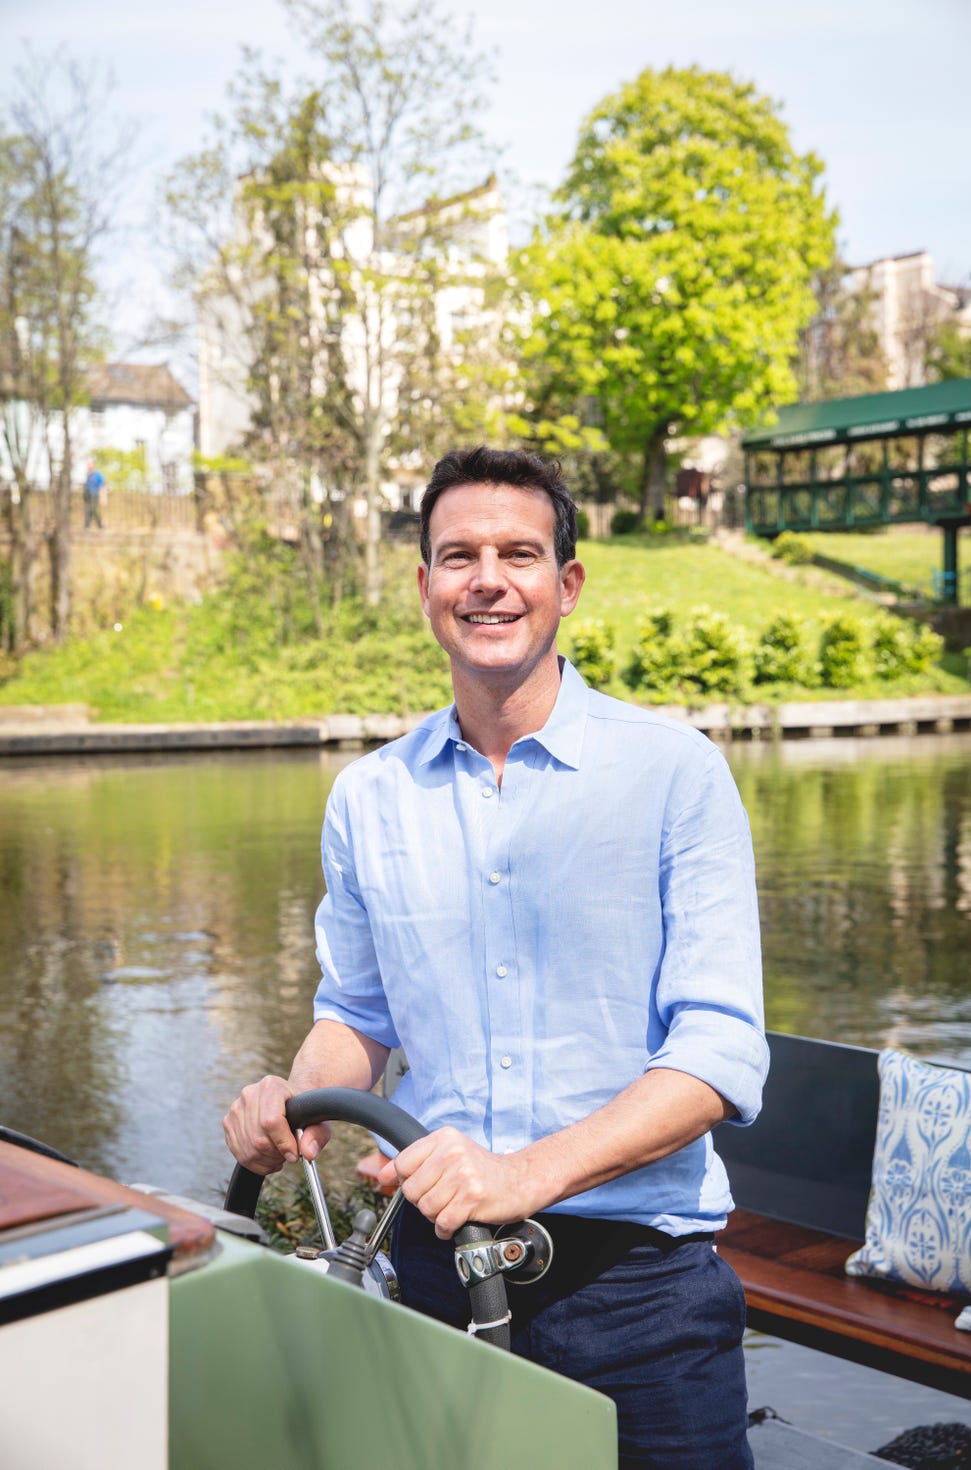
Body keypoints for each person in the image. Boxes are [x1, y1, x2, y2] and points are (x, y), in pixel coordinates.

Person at [224, 445, 768, 1468]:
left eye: (517, 553)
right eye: (457, 554)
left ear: (563, 585)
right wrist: (291, 1106)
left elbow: (718, 1057)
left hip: (639, 1300)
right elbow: (356, 1017)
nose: (486, 579)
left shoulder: (674, 775)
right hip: (433, 1279)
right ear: (424, 585)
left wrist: (522, 1174)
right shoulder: (369, 798)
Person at [83, 461, 106, 529]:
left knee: (93, 509)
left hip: (95, 494)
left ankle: (100, 524)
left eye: (90, 464)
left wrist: (103, 497)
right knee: (88, 510)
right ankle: (86, 526)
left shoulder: (98, 475)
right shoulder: (88, 475)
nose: (89, 466)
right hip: (88, 495)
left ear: (94, 465)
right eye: (88, 464)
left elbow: (103, 485)